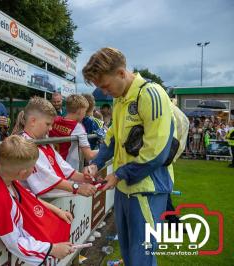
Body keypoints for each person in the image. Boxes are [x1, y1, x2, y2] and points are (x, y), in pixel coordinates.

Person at [82, 47, 176, 266]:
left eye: (105, 86)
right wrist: (95, 164)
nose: (105, 93)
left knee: (141, 257)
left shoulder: (151, 94)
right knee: (129, 254)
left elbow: (157, 152)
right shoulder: (120, 100)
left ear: (122, 73)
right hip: (125, 188)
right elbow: (112, 139)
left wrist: (119, 173)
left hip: (148, 189)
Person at [0, 136, 74, 265]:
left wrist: (56, 210)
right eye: (33, 167)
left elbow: (28, 197)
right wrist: (53, 250)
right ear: (22, 173)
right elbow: (14, 243)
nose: (34, 170)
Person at [13, 97, 97, 198]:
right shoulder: (24, 145)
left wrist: (83, 178)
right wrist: (77, 187)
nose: (50, 128)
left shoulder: (44, 140)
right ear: (33, 121)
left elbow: (61, 165)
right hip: (32, 203)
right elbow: (47, 179)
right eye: (48, 124)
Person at [49, 94, 98, 170]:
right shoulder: (78, 127)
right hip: (68, 169)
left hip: (52, 166)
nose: (84, 114)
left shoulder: (54, 120)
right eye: (84, 111)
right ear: (80, 111)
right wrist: (106, 149)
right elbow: (89, 155)